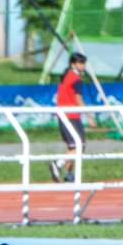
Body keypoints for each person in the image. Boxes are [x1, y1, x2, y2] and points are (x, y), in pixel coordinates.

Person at [50, 52, 89, 183]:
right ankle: (58, 164)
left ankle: (68, 174)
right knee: (80, 145)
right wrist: (89, 115)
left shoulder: (67, 76)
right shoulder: (76, 79)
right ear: (73, 64)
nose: (83, 65)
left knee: (73, 147)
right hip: (70, 116)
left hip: (65, 115)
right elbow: (78, 99)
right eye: (80, 63)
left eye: (84, 63)